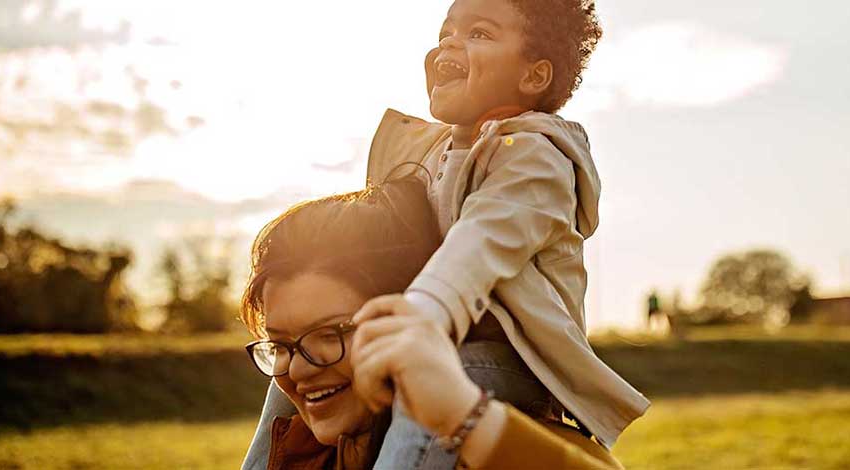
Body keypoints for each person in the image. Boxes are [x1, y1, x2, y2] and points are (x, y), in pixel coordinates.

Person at [244, 0, 649, 468]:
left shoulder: (535, 157)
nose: (451, 44)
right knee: (290, 371)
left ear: (534, 77)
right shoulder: (435, 153)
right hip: (441, 337)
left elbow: (476, 247)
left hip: (510, 361)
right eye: (445, 33)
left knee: (432, 383)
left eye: (479, 33)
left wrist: (421, 316)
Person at [239, 177, 622, 469]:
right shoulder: (301, 453)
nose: (301, 369)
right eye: (282, 345)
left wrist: (468, 420)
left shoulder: (513, 452)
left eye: (330, 334)